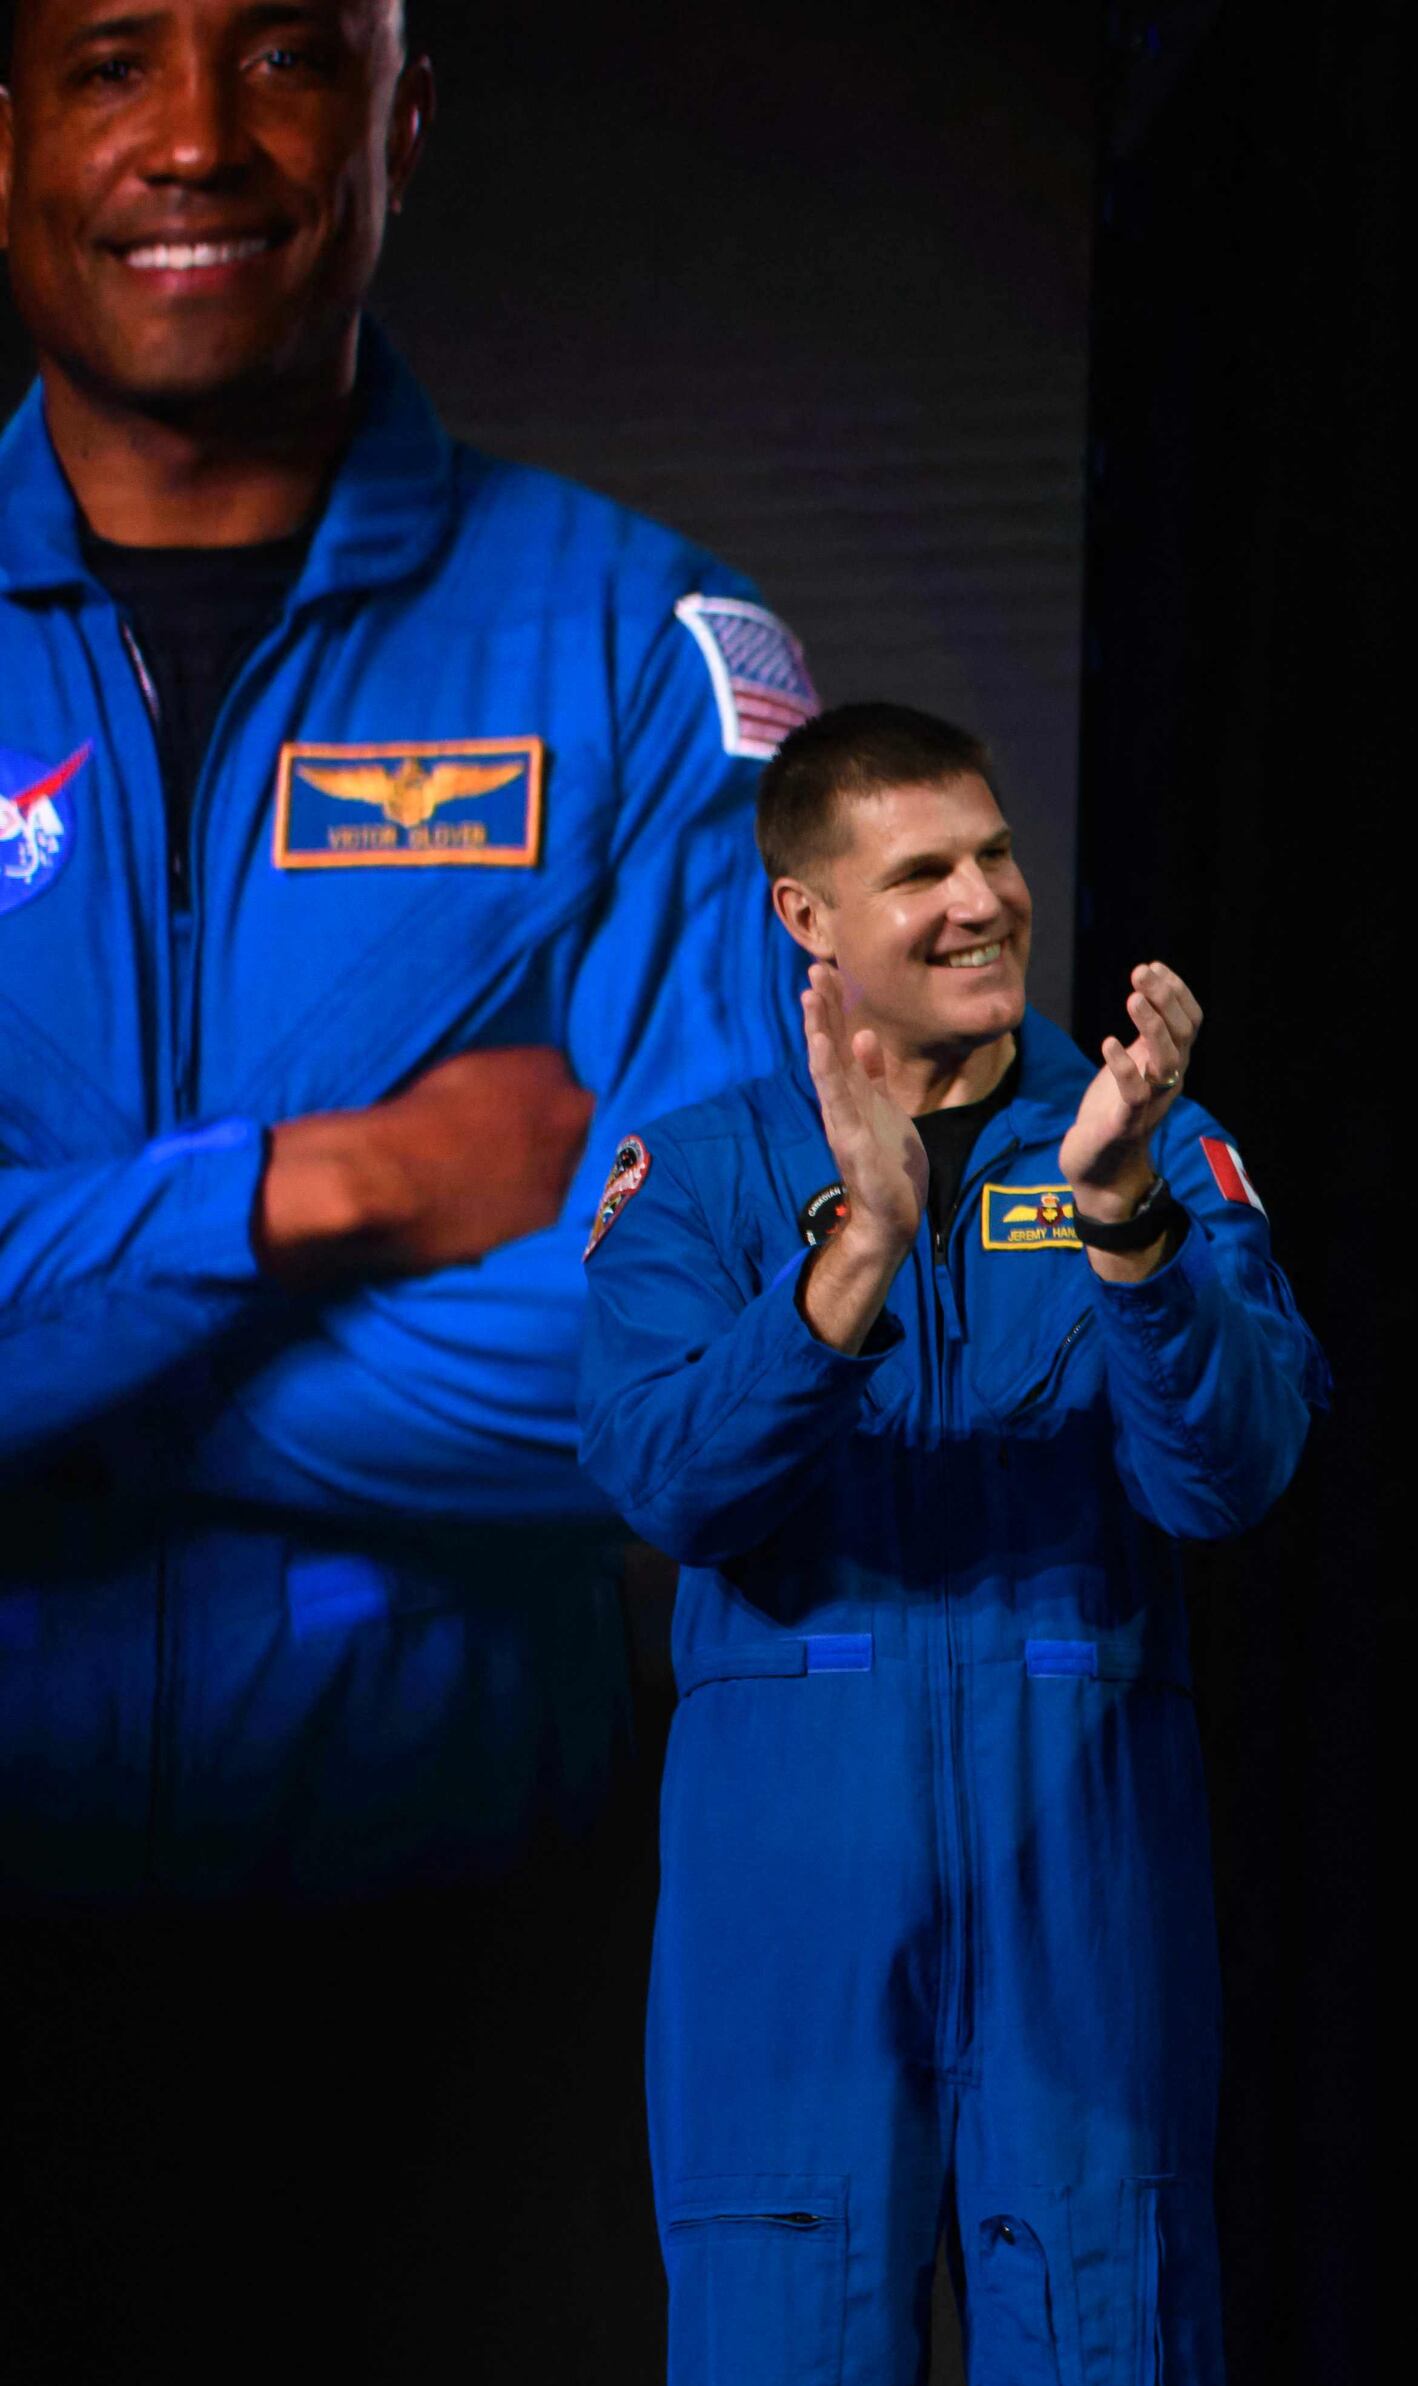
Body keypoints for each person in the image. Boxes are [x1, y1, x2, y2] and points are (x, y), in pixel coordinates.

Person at [577, 703, 1322, 2386]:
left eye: (994, 855)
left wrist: (1119, 1227)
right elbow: (662, 1473)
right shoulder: (704, 1169)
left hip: (1072, 1849)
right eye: (923, 874)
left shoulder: (1146, 1143)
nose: (986, 900)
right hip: (791, 1885)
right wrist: (855, 1259)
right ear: (808, 916)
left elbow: (1237, 1466)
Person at [0, 0, 803, 1897]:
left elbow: (719, 1340)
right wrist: (326, 1187)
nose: (195, 139)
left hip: (457, 1929)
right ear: (5, 140)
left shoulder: (644, 650)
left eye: (284, 58)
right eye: (112, 64)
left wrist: (73, 1406)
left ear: (403, 123)